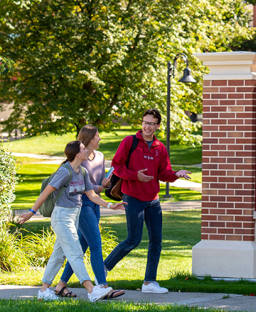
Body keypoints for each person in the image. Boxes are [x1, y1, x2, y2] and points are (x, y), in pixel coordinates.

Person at [17, 141, 126, 302]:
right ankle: (91, 291)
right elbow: (45, 193)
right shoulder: (65, 171)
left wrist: (111, 205)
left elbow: (92, 195)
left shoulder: (82, 172)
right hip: (61, 217)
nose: (86, 150)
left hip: (73, 217)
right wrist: (31, 212)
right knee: (75, 253)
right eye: (83, 149)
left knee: (58, 255)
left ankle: (44, 291)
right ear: (77, 154)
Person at [103, 108, 191, 294]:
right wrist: (135, 176)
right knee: (133, 239)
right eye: (145, 122)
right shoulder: (130, 141)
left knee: (156, 240)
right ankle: (102, 270)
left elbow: (163, 173)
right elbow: (116, 166)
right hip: (132, 197)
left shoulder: (160, 148)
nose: (147, 126)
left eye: (151, 123)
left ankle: (149, 283)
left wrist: (176, 174)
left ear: (158, 126)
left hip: (153, 200)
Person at [55, 126, 124, 299]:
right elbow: (79, 182)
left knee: (82, 247)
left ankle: (61, 286)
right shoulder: (80, 157)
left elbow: (98, 182)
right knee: (95, 244)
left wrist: (105, 183)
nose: (100, 139)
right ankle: (103, 286)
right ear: (90, 139)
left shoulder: (99, 156)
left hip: (95, 204)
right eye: (98, 136)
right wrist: (98, 187)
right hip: (83, 204)